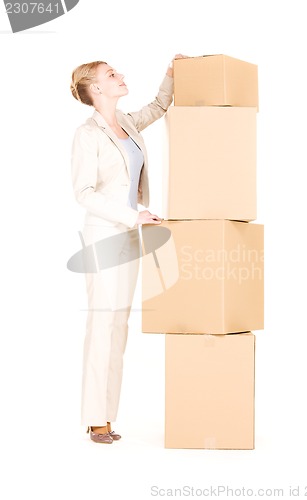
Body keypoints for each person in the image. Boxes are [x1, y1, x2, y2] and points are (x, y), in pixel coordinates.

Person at [70, 55, 184, 444]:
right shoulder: (88, 134)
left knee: (119, 327)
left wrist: (171, 74)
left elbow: (158, 106)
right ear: (96, 88)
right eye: (111, 75)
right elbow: (83, 193)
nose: (120, 76)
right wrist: (132, 216)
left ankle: (106, 417)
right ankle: (93, 418)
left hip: (129, 236)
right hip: (105, 236)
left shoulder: (129, 124)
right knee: (102, 325)